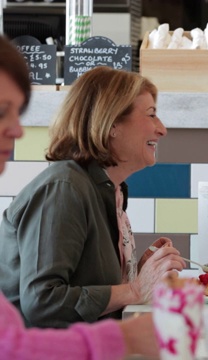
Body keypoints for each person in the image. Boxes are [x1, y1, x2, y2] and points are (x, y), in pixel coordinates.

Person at [0, 35, 159, 359]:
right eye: (151, 114)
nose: (162, 128)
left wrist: (139, 272)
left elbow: (88, 283)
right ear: (112, 124)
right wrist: (134, 290)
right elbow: (43, 302)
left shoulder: (107, 189)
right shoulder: (65, 190)